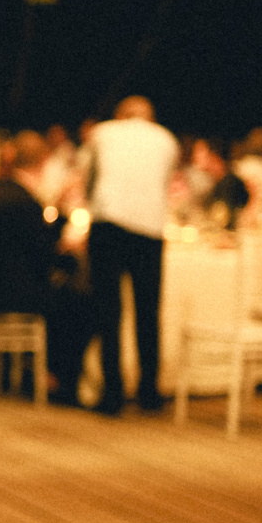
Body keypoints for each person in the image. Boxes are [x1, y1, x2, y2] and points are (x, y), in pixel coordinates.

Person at [0, 131, 95, 404]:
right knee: (85, 301)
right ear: (43, 162)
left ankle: (33, 373)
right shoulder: (23, 202)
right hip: (5, 296)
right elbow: (45, 258)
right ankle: (58, 382)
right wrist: (69, 251)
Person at [83, 95, 179, 415]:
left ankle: (112, 393)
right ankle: (149, 390)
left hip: (108, 225)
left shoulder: (103, 133)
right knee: (148, 311)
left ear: (121, 115)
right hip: (150, 229)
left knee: (108, 310)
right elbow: (162, 184)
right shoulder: (166, 139)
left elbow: (91, 179)